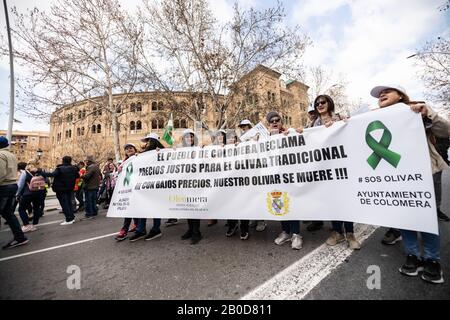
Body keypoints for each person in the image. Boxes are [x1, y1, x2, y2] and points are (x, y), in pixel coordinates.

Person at [370, 84, 448, 283]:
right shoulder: (372, 118)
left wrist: (428, 113)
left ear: (401, 95)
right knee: (405, 216)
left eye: (387, 91)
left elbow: (445, 131)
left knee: (425, 215)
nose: (382, 94)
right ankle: (412, 255)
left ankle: (432, 260)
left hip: (423, 172)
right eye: (380, 94)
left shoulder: (417, 110)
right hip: (394, 174)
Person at [307, 95, 361, 250]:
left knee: (345, 200)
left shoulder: (340, 118)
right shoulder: (313, 124)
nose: (320, 105)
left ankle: (350, 233)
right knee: (332, 201)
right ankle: (337, 231)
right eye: (317, 103)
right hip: (323, 168)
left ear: (329, 103)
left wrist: (344, 123)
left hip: (341, 167)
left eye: (322, 102)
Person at [266, 111, 303, 250]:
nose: (275, 122)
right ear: (269, 125)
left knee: (291, 204)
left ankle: (296, 234)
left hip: (289, 176)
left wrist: (299, 132)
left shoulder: (290, 132)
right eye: (272, 121)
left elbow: (303, 137)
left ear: (282, 122)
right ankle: (286, 231)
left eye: (277, 120)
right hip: (274, 178)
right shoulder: (265, 138)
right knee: (278, 204)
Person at [129, 133, 164, 242]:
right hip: (144, 185)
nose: (146, 143)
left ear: (153, 142)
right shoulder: (143, 154)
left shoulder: (160, 152)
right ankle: (141, 229)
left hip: (156, 185)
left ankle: (156, 228)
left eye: (148, 141)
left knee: (154, 207)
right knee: (142, 207)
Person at [0, 137, 29, 249]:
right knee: (8, 214)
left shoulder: (1, 155)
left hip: (3, 186)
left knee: (8, 213)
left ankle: (20, 237)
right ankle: (20, 237)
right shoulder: (11, 155)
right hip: (12, 185)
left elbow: (1, 173)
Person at [225, 130, 250, 240]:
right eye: (229, 138)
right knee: (229, 206)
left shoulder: (242, 148)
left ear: (236, 139)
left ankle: (244, 228)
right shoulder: (222, 150)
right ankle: (232, 225)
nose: (231, 140)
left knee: (242, 205)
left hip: (241, 183)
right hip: (228, 185)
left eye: (233, 137)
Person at [180, 129, 203, 244]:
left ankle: (196, 232)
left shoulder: (198, 149)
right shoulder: (179, 151)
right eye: (187, 137)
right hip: (185, 184)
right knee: (187, 207)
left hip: (195, 183)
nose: (189, 139)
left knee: (194, 207)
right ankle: (190, 229)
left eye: (191, 137)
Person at [43, 156, 79, 225]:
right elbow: (77, 176)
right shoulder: (73, 168)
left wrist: (42, 173)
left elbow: (52, 174)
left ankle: (68, 219)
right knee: (69, 203)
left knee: (64, 204)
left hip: (61, 189)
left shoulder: (59, 169)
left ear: (63, 161)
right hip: (70, 188)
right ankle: (71, 217)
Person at [115, 143, 140, 241]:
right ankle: (130, 227)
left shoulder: (139, 157)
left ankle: (126, 229)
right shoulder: (124, 162)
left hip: (137, 188)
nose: (129, 150)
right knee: (128, 209)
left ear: (135, 149)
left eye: (131, 148)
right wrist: (120, 170)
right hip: (127, 189)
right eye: (127, 149)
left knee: (133, 208)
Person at [16, 161, 46, 232]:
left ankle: (26, 225)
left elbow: (20, 185)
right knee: (36, 208)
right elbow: (45, 180)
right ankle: (35, 225)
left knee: (21, 209)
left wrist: (17, 193)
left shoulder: (25, 172)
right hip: (39, 193)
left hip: (28, 193)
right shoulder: (41, 171)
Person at [81, 156, 102, 220]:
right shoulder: (96, 166)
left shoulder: (91, 167)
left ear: (88, 161)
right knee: (93, 200)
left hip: (90, 186)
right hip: (95, 186)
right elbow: (100, 175)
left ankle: (89, 214)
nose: (85, 162)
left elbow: (87, 176)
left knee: (88, 201)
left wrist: (81, 175)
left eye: (86, 161)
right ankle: (94, 212)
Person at [434, 137, 449, 221]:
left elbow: (446, 140)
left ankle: (436, 209)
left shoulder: (437, 126)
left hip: (436, 160)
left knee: (436, 184)